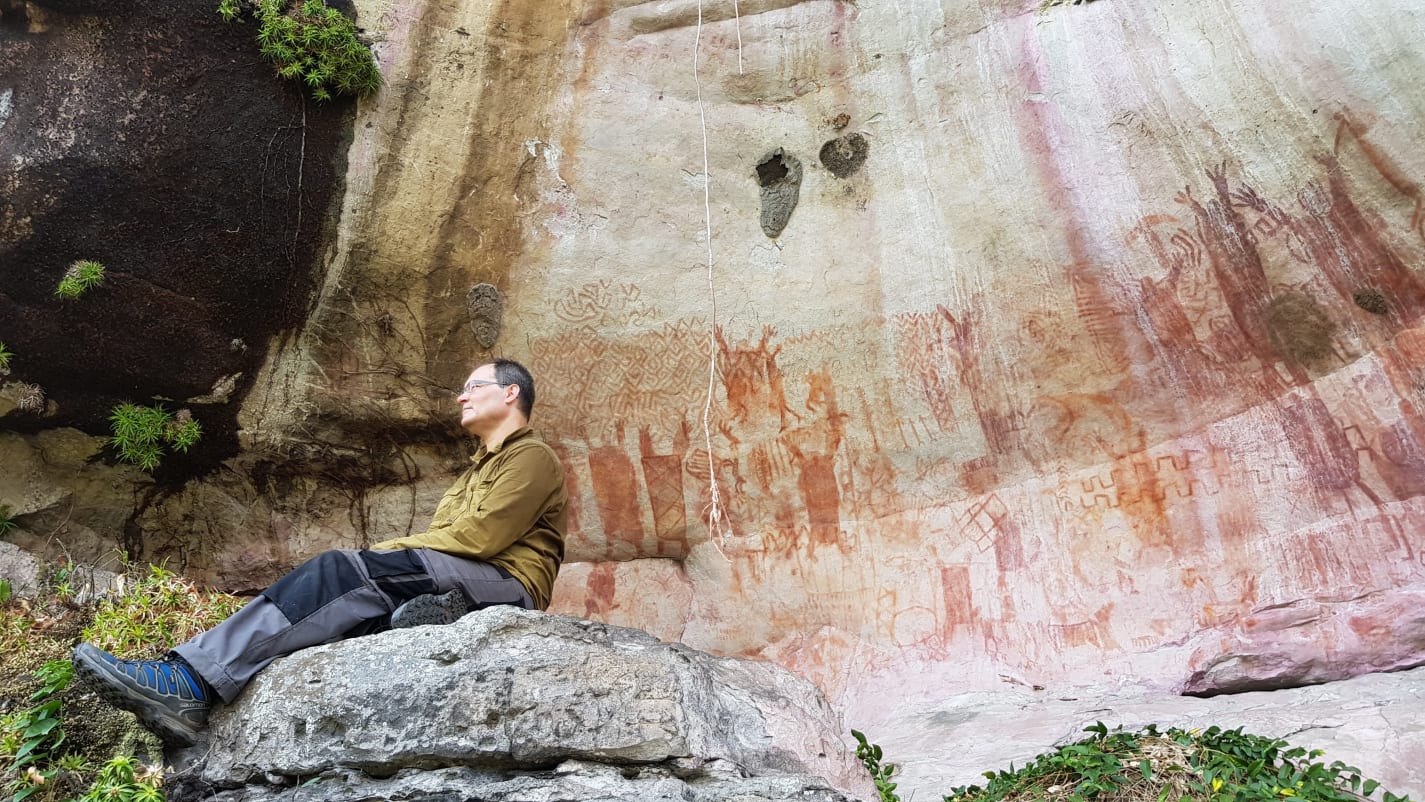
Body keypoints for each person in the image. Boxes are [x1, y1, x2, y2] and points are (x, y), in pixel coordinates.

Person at [72, 358, 568, 746]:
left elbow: (482, 539)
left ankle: (191, 680)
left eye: (473, 386)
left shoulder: (532, 457)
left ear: (510, 393)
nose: (461, 395)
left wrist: (385, 553)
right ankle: (425, 617)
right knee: (352, 610)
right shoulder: (477, 468)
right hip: (467, 572)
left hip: (507, 583)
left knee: (344, 572)